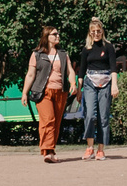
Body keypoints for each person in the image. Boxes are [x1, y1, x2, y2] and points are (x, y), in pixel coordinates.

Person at [24, 25, 71, 163]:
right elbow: (30, 74)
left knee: (55, 122)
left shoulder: (63, 54)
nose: (57, 36)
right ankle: (48, 151)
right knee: (48, 120)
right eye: (54, 34)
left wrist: (73, 83)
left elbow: (70, 71)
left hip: (60, 92)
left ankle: (49, 150)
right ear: (47, 37)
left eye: (58, 34)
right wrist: (24, 93)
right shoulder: (37, 54)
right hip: (43, 92)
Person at [75, 18, 119, 160]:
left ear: (102, 31)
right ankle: (89, 148)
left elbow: (113, 68)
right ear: (90, 33)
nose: (96, 34)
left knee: (103, 116)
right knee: (89, 115)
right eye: (93, 31)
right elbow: (81, 71)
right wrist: (79, 89)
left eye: (98, 31)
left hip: (106, 82)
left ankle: (101, 149)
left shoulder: (109, 47)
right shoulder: (86, 49)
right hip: (90, 83)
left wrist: (114, 85)